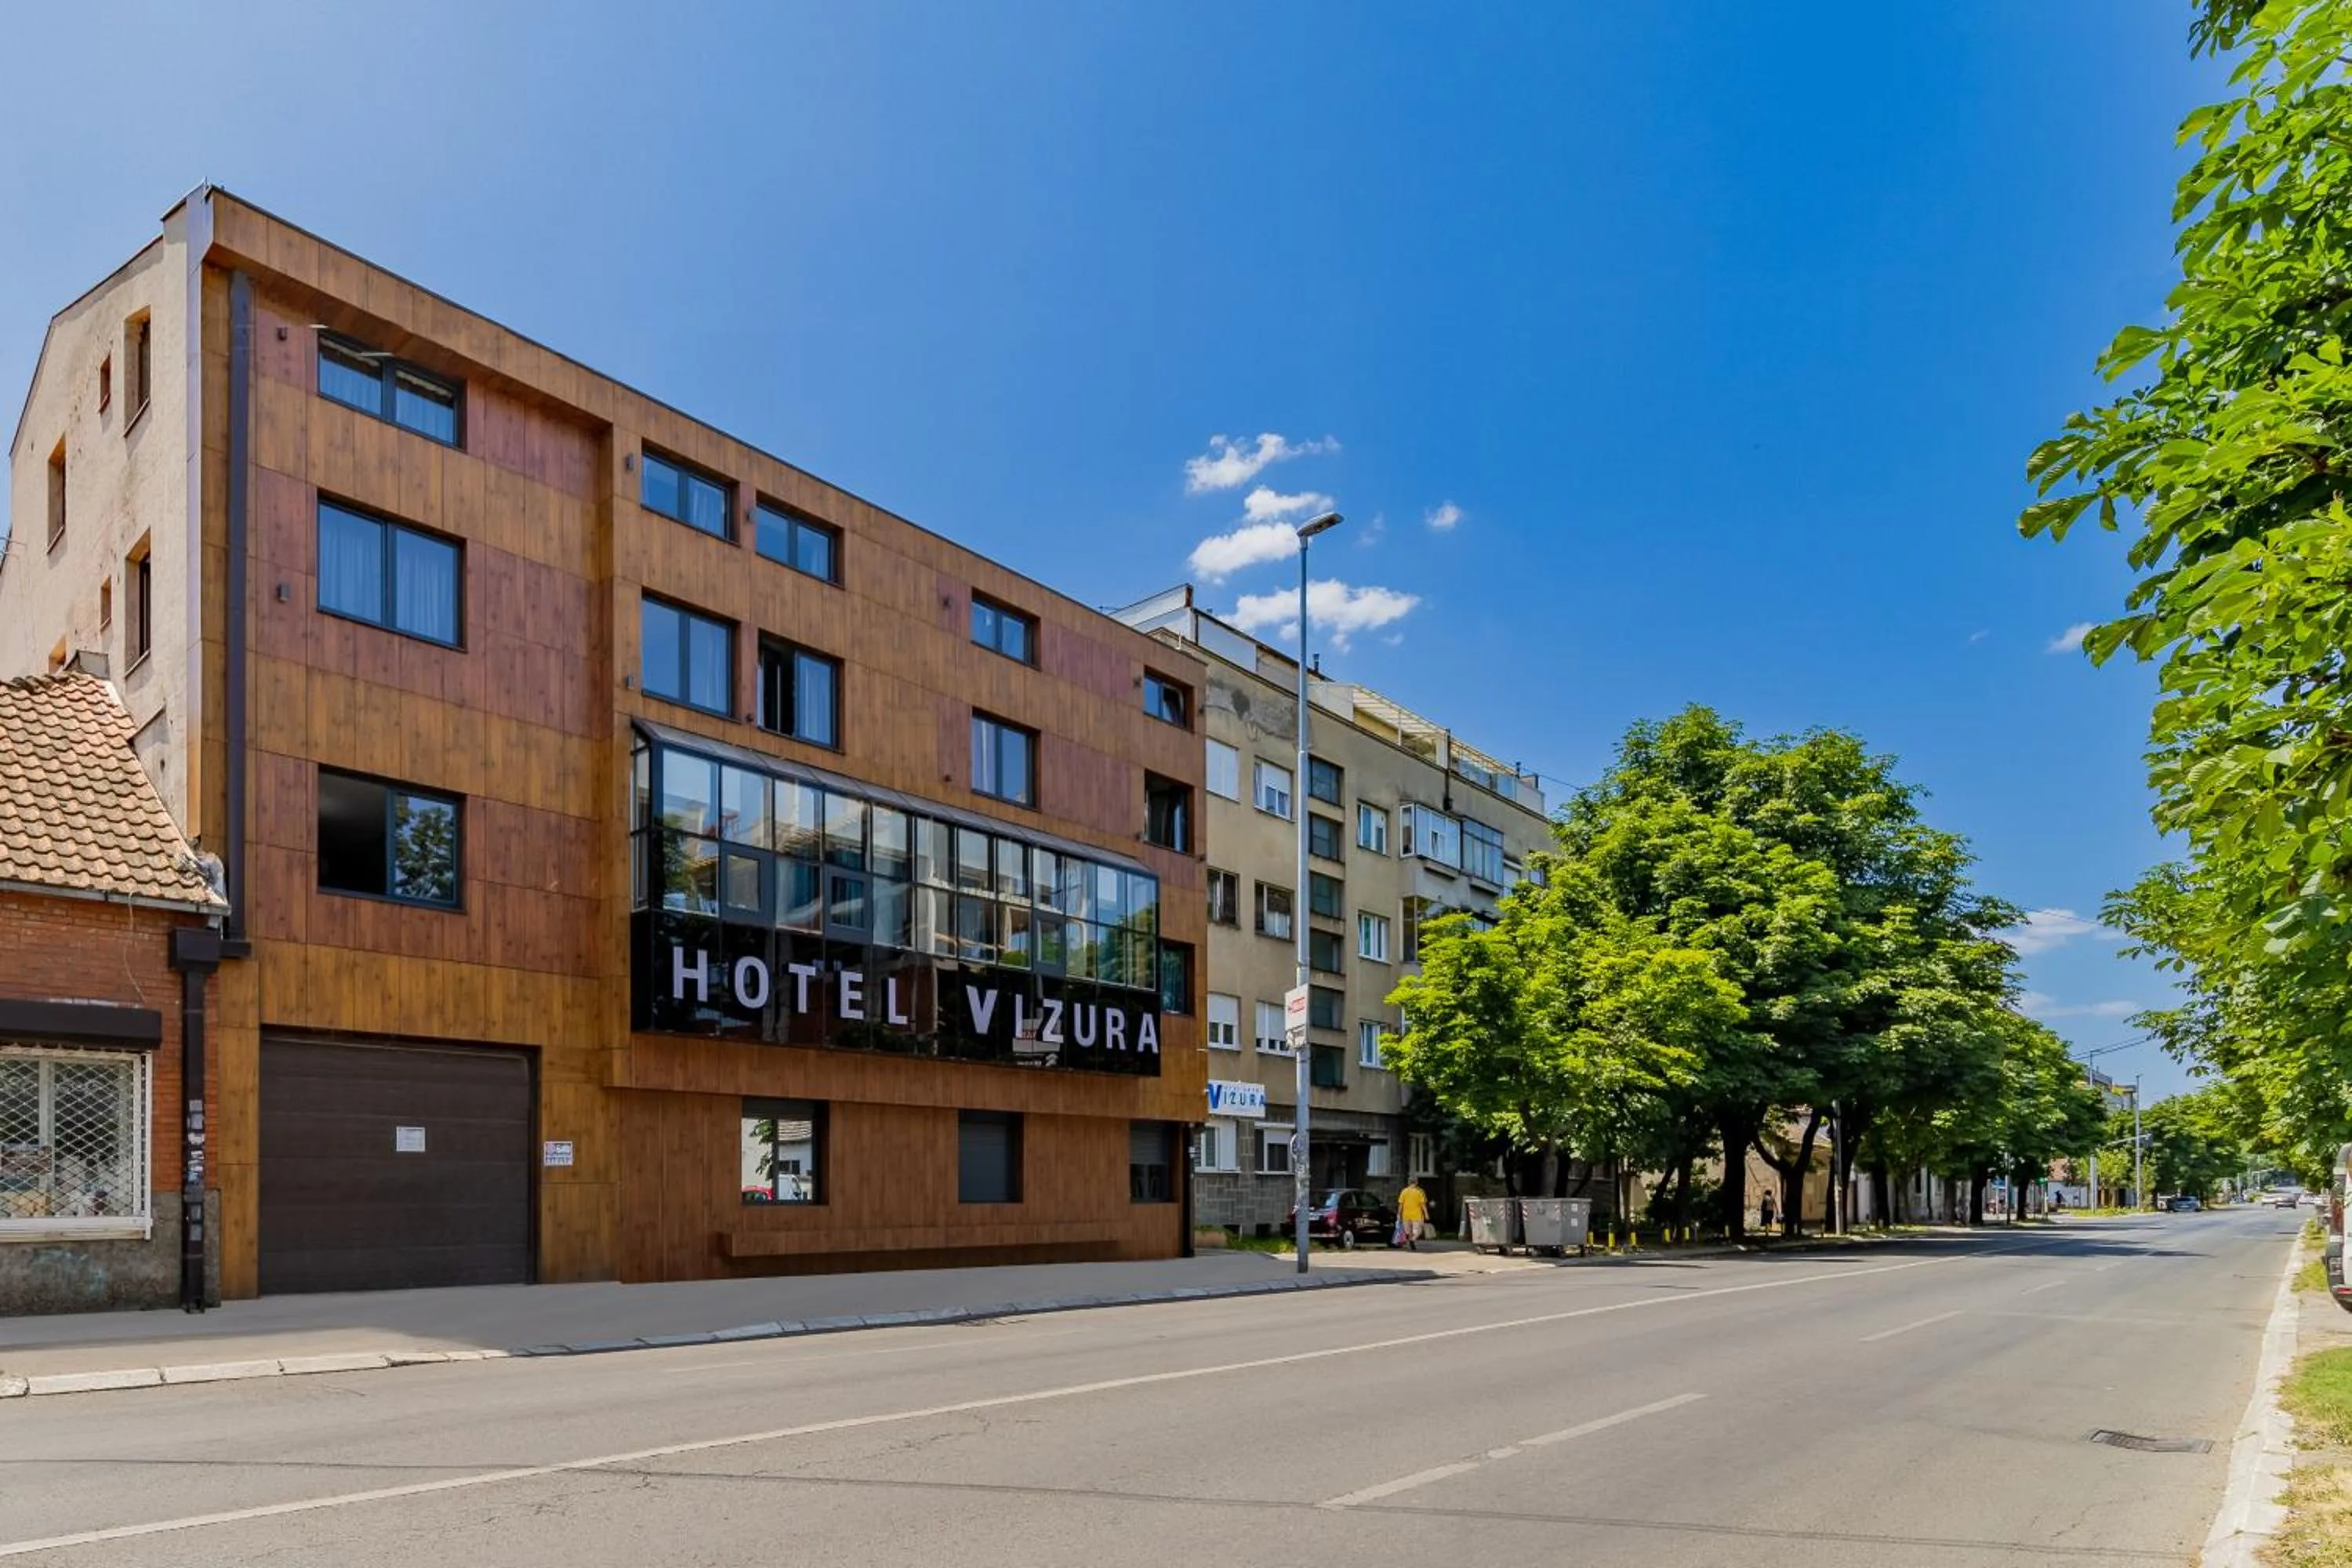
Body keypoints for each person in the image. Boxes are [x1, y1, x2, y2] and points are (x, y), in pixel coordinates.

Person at [1396, 1176, 1429, 1250]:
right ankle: (1412, 1240)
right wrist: (1426, 1214)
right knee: (1418, 1231)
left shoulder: (1404, 1191)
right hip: (1417, 1215)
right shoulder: (1420, 1192)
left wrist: (1399, 1214)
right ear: (1416, 1183)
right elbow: (1423, 1204)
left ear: (1408, 1183)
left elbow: (1401, 1204)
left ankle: (1410, 1240)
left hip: (1406, 1215)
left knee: (1408, 1231)